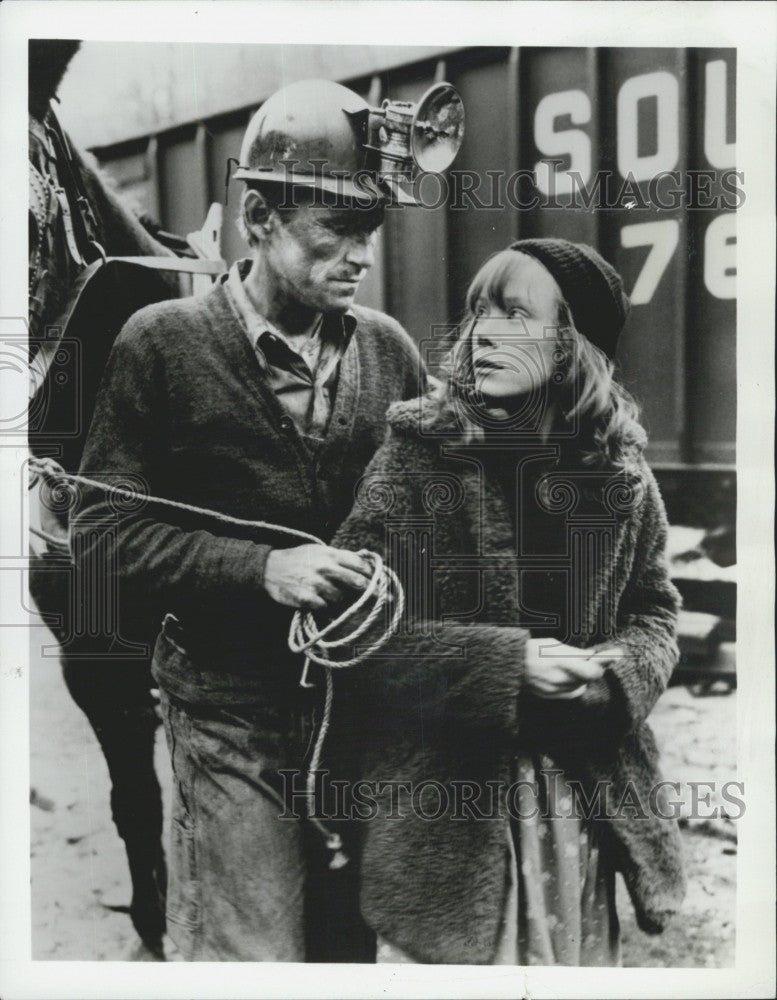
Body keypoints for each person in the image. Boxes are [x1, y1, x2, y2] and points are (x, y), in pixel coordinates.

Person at [70, 79, 427, 962]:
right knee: (255, 952)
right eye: (333, 233)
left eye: (368, 235)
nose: (358, 259)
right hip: (227, 711)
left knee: (348, 947)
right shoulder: (161, 343)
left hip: (360, 713)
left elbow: (432, 515)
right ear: (259, 218)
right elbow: (100, 533)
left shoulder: (389, 350)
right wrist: (261, 570)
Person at [329, 238, 686, 965]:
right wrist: (504, 663)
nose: (482, 332)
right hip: (445, 815)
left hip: (575, 805)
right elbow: (352, 631)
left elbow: (654, 611)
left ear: (569, 345)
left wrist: (614, 672)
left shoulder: (620, 472)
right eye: (477, 312)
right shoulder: (417, 455)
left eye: (514, 314)